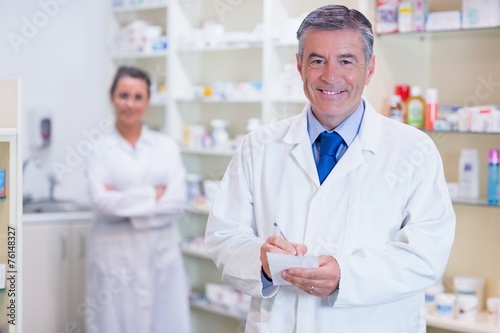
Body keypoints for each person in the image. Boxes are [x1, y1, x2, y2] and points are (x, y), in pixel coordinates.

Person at [205, 5, 455, 332]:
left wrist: (345, 274)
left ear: (370, 68)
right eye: (317, 60)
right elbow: (224, 236)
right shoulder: (260, 146)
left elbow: (426, 255)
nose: (331, 76)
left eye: (347, 61)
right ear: (299, 65)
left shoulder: (413, 151)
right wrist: (262, 263)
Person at [85, 66, 191, 333]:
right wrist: (152, 195)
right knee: (113, 323)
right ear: (111, 98)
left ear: (147, 101)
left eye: (137, 96)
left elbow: (176, 203)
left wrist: (122, 201)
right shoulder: (99, 150)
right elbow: (101, 202)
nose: (129, 104)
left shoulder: (166, 147)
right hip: (114, 256)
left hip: (160, 254)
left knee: (164, 321)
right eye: (123, 95)